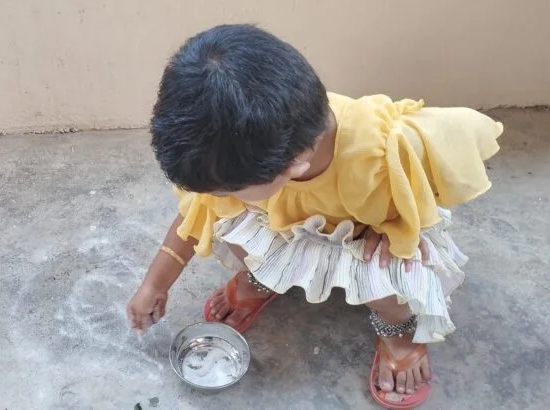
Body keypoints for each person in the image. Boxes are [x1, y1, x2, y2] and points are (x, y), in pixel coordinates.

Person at [126, 24, 502, 409]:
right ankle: (263, 277)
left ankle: (397, 333)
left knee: (392, 275)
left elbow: (434, 172)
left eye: (225, 190)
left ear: (291, 167)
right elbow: (196, 214)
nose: (213, 197)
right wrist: (155, 283)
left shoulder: (377, 152)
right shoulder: (255, 153)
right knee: (229, 226)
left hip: (361, 234)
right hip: (288, 223)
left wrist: (395, 227)